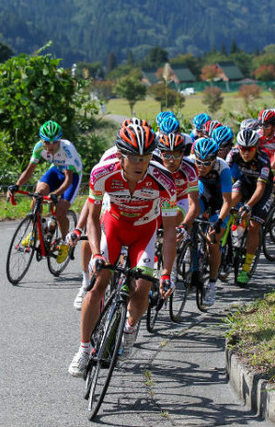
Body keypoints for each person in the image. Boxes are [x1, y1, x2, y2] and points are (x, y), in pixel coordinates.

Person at [68, 124, 177, 377]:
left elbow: (169, 232)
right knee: (98, 285)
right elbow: (93, 218)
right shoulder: (102, 173)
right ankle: (84, 350)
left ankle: (129, 328)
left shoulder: (164, 179)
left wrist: (167, 272)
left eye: (146, 157)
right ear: (120, 156)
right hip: (113, 227)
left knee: (143, 288)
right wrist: (96, 253)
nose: (141, 163)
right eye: (134, 157)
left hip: (144, 232)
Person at [7, 120, 82, 261]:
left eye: (54, 142)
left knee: (60, 210)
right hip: (56, 170)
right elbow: (29, 171)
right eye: (47, 142)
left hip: (72, 175)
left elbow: (68, 180)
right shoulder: (39, 148)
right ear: (42, 141)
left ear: (59, 140)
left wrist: (56, 194)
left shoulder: (67, 149)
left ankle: (65, 244)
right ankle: (37, 230)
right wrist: (17, 186)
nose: (50, 146)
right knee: (38, 194)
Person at [226, 129, 274, 287]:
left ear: (256, 147)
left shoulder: (263, 160)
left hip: (263, 190)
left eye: (250, 149)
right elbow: (226, 177)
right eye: (242, 149)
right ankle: (231, 233)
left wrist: (248, 206)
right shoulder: (233, 154)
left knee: (254, 226)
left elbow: (260, 190)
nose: (245, 153)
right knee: (228, 204)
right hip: (245, 183)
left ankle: (246, 268)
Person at [192, 138, 233, 306]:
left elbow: (227, 202)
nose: (201, 166)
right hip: (201, 196)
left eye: (206, 163)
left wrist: (220, 221)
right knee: (190, 220)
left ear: (214, 160)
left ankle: (212, 284)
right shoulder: (190, 164)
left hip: (218, 204)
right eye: (198, 162)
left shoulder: (223, 168)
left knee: (212, 241)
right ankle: (192, 263)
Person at [154, 133, 200, 249]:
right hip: (158, 197)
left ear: (183, 154)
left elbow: (193, 204)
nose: (171, 160)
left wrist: (184, 226)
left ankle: (170, 247)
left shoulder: (190, 168)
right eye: (167, 155)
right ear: (160, 154)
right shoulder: (154, 164)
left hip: (180, 198)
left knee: (176, 218)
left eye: (176, 155)